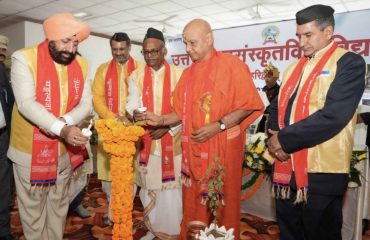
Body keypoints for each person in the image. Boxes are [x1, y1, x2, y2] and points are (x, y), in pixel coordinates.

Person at [134, 19, 264, 239]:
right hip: (193, 154)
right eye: (185, 43)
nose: (188, 49)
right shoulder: (187, 74)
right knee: (194, 203)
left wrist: (219, 125)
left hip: (223, 152)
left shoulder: (232, 66)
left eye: (192, 43)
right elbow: (179, 113)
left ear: (209, 39)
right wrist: (161, 119)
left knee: (223, 206)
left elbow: (249, 104)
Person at [266, 4, 366, 240]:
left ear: (328, 32)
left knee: (320, 234)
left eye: (308, 35)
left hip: (322, 171)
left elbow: (333, 116)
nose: (301, 43)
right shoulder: (293, 67)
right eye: (299, 36)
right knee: (289, 233)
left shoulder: (349, 63)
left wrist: (282, 139)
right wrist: (274, 133)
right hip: (285, 168)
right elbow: (275, 106)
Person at [8, 13, 92, 239]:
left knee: (58, 207)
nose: (71, 49)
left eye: (75, 43)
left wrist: (65, 123)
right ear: (50, 38)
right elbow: (26, 103)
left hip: (64, 151)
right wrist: (62, 130)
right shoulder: (23, 58)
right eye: (66, 41)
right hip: (29, 152)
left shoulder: (81, 64)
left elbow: (86, 104)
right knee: (33, 212)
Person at [126, 27, 183, 240]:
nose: (150, 56)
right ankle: (152, 229)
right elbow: (131, 103)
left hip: (173, 141)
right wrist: (139, 116)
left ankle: (173, 232)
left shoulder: (180, 74)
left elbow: (185, 109)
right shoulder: (136, 75)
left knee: (172, 191)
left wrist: (167, 126)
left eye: (154, 51)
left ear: (164, 51)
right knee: (149, 188)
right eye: (146, 52)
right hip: (147, 141)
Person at [92, 32, 144, 225]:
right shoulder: (103, 69)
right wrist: (114, 118)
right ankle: (113, 210)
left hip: (132, 132)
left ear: (130, 47)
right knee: (108, 179)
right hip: (109, 131)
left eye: (122, 49)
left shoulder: (140, 68)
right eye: (115, 49)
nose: (118, 53)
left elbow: (145, 97)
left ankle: (123, 215)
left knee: (129, 175)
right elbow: (97, 99)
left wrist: (130, 117)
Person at [0, 34, 15, 240]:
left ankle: (2, 231)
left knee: (3, 187)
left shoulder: (4, 72)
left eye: (3, 51)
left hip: (3, 137)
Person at [256, 62, 280, 133]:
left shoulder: (280, 90)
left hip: (273, 121)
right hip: (261, 120)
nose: (266, 79)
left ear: (276, 78)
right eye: (265, 76)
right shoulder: (263, 89)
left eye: (269, 77)